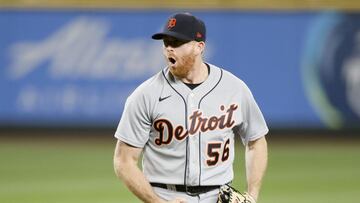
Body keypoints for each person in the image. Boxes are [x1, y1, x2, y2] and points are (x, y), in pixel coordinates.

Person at [113, 12, 268, 203]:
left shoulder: (234, 88)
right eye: (166, 42)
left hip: (219, 196)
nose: (169, 48)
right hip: (165, 194)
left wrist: (252, 195)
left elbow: (256, 140)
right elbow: (123, 161)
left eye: (177, 42)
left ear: (199, 47)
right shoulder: (145, 95)